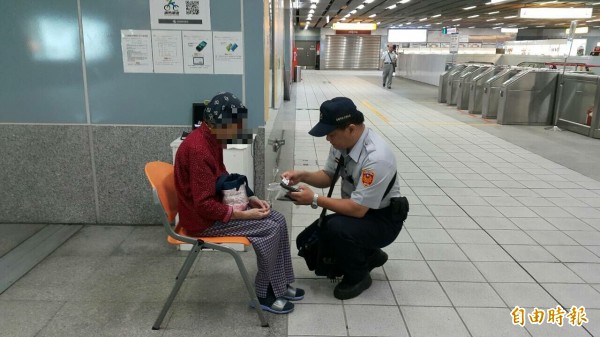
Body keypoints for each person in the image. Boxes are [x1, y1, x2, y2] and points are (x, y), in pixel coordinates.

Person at [174, 92, 302, 314]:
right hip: (202, 221)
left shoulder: (211, 138)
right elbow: (204, 205)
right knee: (270, 228)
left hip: (215, 209)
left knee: (279, 219)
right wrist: (245, 215)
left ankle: (279, 284)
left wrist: (250, 197)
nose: (237, 130)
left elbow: (223, 176)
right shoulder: (198, 149)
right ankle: (264, 293)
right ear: (218, 123)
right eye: (234, 125)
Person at [282, 97, 404, 300]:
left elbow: (357, 209)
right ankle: (371, 254)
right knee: (306, 241)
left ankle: (359, 276)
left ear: (351, 128)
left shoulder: (376, 158)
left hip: (383, 220)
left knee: (337, 230)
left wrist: (314, 199)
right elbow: (328, 177)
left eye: (331, 134)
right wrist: (302, 175)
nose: (328, 140)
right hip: (361, 213)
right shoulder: (342, 144)